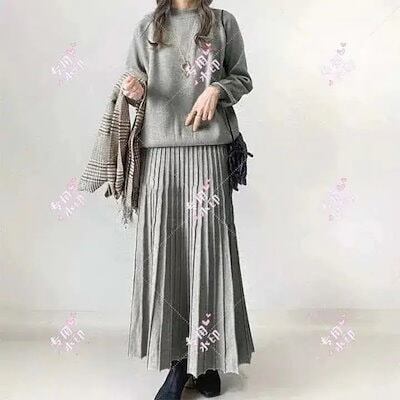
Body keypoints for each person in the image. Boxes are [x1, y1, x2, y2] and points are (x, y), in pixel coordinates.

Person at [122, 0, 254, 398]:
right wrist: (134, 90)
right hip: (161, 155)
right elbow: (134, 88)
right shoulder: (148, 27)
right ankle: (180, 365)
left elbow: (242, 78)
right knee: (169, 259)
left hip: (208, 152)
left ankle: (206, 359)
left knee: (208, 257)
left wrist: (217, 88)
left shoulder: (224, 23)